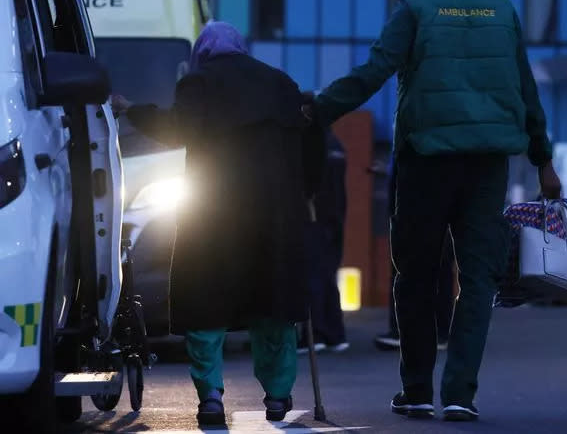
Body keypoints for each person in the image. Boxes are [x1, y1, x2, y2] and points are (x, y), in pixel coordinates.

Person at [305, 0, 561, 422]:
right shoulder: (502, 10)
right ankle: (461, 393)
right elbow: (527, 90)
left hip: (428, 159)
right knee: (479, 277)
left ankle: (418, 389)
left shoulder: (417, 7)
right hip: (488, 163)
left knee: (415, 273)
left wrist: (318, 109)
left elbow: (375, 71)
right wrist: (542, 160)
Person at [111, 22, 324, 426]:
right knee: (272, 306)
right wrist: (308, 191)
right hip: (273, 215)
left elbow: (176, 128)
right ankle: (278, 395)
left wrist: (131, 110)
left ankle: (210, 396)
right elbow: (310, 140)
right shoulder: (281, 83)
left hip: (214, 214)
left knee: (206, 305)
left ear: (204, 51)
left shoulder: (199, 83)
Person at [375, 160, 455, 352]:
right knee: (438, 256)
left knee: (412, 256)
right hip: (441, 171)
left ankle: (412, 329)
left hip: (420, 169)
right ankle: (437, 329)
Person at [299, 129, 350, 354]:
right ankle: (335, 334)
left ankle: (317, 334)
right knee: (328, 276)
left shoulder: (311, 144)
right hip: (335, 217)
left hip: (314, 217)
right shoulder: (335, 143)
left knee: (313, 277)